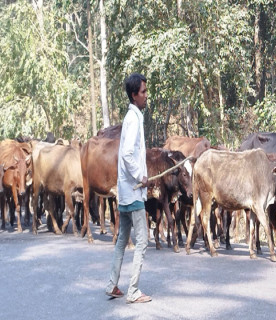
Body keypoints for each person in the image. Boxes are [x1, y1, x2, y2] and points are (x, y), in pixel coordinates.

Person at [105, 73, 152, 304]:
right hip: (133, 191)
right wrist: (141, 177)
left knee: (123, 237)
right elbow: (126, 155)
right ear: (134, 95)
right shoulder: (134, 118)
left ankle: (112, 284)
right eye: (143, 92)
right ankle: (133, 291)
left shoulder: (132, 117)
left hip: (126, 191)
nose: (146, 96)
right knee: (142, 241)